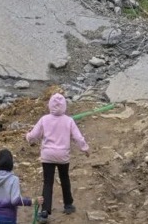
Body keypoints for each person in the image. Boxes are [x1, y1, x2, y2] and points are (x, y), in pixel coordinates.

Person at [25, 93, 89, 223]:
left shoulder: (44, 119)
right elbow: (77, 137)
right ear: (65, 106)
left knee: (48, 182)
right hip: (63, 155)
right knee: (65, 179)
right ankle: (68, 205)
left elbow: (35, 134)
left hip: (47, 155)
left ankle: (44, 212)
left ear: (50, 105)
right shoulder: (69, 120)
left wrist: (28, 137)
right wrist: (85, 148)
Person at [0, 149, 41, 224]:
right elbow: (14, 200)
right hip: (8, 218)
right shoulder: (14, 179)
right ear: (11, 162)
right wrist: (32, 201)